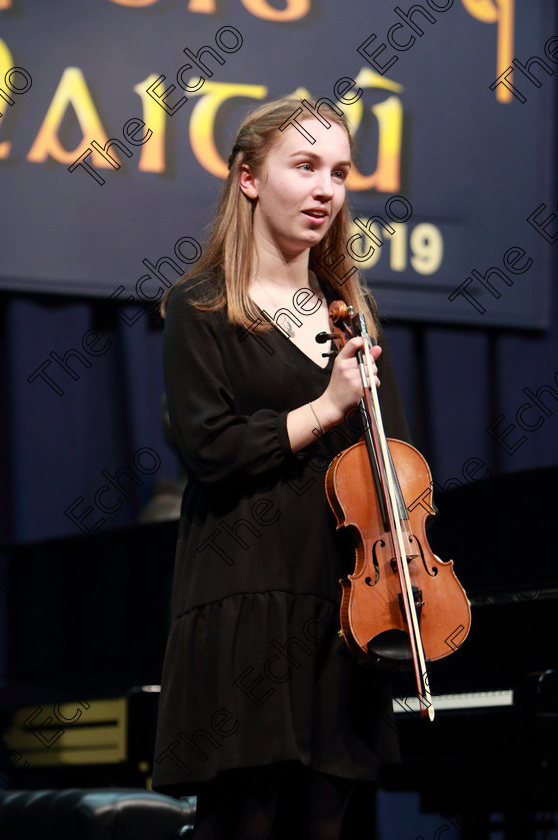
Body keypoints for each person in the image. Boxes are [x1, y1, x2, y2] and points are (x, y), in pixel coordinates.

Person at [151, 97, 411, 839]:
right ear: (249, 179)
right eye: (305, 166)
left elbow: (389, 467)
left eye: (339, 171)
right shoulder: (200, 308)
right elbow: (209, 450)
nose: (327, 188)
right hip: (246, 604)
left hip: (339, 612)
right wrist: (326, 408)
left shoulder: (349, 317)